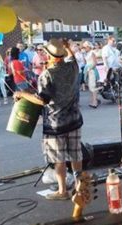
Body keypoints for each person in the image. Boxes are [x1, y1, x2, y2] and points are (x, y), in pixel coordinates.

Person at [15, 38, 84, 201]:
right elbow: (72, 58)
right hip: (74, 119)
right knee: (76, 155)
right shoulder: (73, 67)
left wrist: (21, 94)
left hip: (55, 124)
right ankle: (79, 186)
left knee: (58, 158)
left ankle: (62, 191)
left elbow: (42, 100)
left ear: (49, 56)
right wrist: (67, 47)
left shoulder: (47, 74)